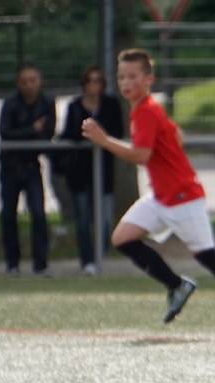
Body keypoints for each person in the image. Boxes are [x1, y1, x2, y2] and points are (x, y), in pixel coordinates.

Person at [82, 48, 215, 338]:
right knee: (122, 238)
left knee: (207, 257)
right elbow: (176, 135)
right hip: (161, 195)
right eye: (121, 77)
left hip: (183, 197)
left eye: (133, 76)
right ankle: (176, 285)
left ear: (149, 79)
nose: (126, 82)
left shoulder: (146, 110)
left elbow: (141, 155)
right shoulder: (146, 109)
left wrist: (104, 140)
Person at [60, 66, 124, 275]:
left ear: (102, 84)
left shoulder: (111, 105)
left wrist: (100, 136)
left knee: (105, 221)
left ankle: (97, 257)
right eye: (89, 81)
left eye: (97, 81)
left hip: (103, 171)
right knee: (82, 219)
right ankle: (87, 261)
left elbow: (117, 131)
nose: (93, 85)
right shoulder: (74, 107)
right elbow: (69, 133)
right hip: (80, 172)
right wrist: (89, 134)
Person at [0, 62, 55, 277]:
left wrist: (25, 136)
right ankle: (12, 263)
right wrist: (31, 129)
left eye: (32, 80)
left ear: (39, 82)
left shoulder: (47, 103)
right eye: (24, 81)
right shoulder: (10, 104)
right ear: (18, 84)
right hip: (9, 166)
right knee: (8, 216)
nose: (29, 85)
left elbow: (47, 133)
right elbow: (5, 133)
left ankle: (40, 264)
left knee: (39, 214)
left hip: (31, 166)